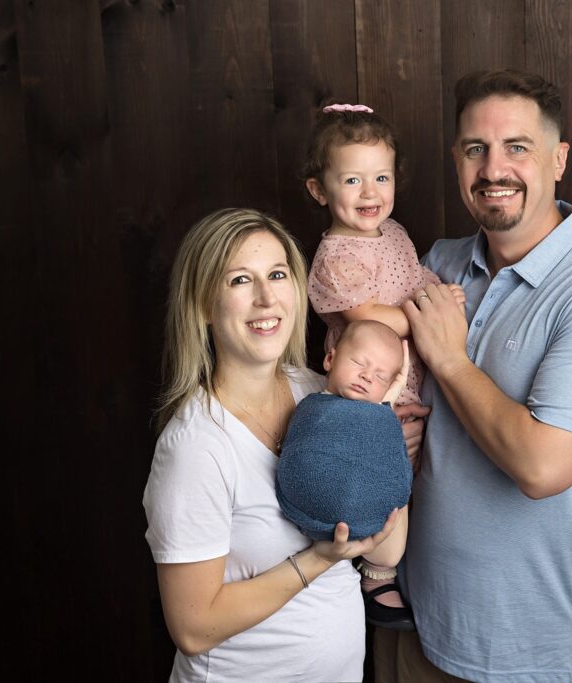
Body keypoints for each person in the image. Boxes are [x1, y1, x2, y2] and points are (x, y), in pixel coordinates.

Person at [375, 69, 572, 683]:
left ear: (559, 159)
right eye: (476, 148)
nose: (493, 169)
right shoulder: (437, 262)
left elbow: (541, 467)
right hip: (415, 629)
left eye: (517, 148)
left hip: (533, 655)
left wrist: (450, 359)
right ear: (456, 160)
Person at [142, 208, 413, 682]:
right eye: (240, 280)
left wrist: (381, 429)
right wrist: (318, 559)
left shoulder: (323, 393)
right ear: (204, 305)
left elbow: (385, 555)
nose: (267, 298)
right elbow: (194, 627)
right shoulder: (195, 445)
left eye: (277, 274)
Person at [302, 103, 465, 624]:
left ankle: (392, 562)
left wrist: (441, 293)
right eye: (352, 179)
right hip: (368, 380)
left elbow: (413, 275)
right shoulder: (335, 253)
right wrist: (424, 315)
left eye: (381, 177)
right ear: (320, 190)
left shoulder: (393, 233)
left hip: (405, 379)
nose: (370, 193)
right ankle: (375, 576)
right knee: (368, 470)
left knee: (406, 473)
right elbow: (365, 312)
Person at [277, 321, 412, 549]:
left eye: (381, 377)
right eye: (359, 363)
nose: (367, 376)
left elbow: (393, 464)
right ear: (329, 359)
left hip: (369, 524)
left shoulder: (382, 418)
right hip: (301, 508)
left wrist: (384, 408)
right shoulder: (311, 406)